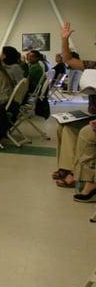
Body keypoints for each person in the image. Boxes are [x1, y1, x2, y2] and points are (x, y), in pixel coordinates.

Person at [52, 22, 96, 188]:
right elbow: (68, 60)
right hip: (92, 115)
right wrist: (64, 40)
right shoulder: (93, 66)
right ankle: (65, 168)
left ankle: (71, 173)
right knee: (61, 126)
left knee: (70, 129)